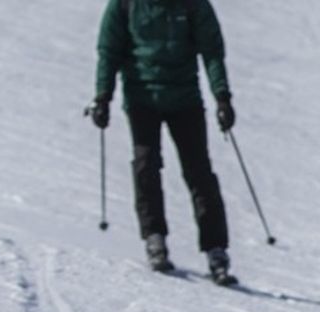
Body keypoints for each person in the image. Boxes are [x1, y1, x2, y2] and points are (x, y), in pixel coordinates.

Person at [89, 0, 237, 285]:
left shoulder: (193, 5)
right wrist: (102, 96)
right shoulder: (126, 5)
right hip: (141, 98)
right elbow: (109, 50)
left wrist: (222, 97)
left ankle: (216, 250)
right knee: (146, 164)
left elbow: (212, 51)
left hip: (185, 100)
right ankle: (154, 238)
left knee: (198, 171)